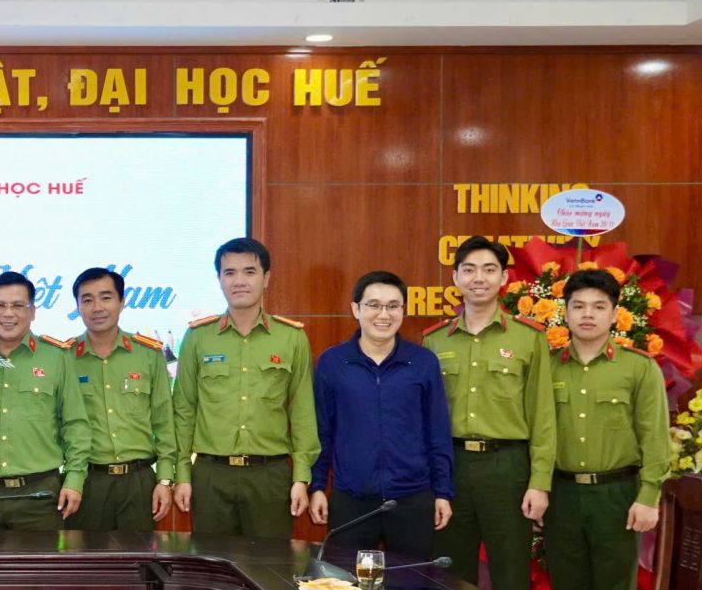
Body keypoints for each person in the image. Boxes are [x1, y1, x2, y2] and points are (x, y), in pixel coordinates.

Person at [543, 269, 671, 590]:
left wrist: (649, 496)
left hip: (617, 495)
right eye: (578, 306)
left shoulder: (638, 367)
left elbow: (655, 436)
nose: (588, 314)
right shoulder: (547, 366)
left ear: (615, 314)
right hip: (562, 494)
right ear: (565, 312)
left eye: (599, 307)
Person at [423, 236, 555, 590]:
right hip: (452, 467)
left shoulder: (529, 339)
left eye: (488, 269)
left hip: (507, 468)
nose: (478, 278)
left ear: (504, 278)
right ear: (455, 278)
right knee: (450, 574)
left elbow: (543, 416)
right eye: (469, 270)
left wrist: (540, 482)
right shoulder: (435, 341)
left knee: (511, 574)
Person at [173, 238, 318, 539]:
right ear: (219, 279)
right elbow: (184, 410)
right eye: (230, 272)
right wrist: (182, 474)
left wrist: (301, 477)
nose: (239, 281)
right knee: (211, 563)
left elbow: (303, 411)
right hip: (211, 475)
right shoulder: (198, 337)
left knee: (270, 562)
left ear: (266, 278)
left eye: (249, 272)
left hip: (270, 476)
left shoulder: (291, 338)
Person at [309, 271, 453, 560]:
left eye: (393, 306)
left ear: (403, 310)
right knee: (346, 582)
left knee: (413, 582)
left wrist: (442, 492)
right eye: (373, 305)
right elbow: (322, 430)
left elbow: (437, 431)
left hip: (413, 499)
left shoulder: (422, 362)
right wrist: (317, 486)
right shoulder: (332, 362)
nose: (383, 314)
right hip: (352, 499)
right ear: (356, 309)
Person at [0, 271, 90, 530]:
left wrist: (75, 478)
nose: (8, 313)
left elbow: (75, 424)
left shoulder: (56, 358)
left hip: (40, 496)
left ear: (33, 311)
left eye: (18, 305)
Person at [62, 267, 177, 530]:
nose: (97, 307)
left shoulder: (148, 354)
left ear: (122, 302)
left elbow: (164, 421)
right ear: (78, 307)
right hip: (86, 482)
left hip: (138, 482)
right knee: (84, 554)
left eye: (106, 297)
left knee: (138, 554)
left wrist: (164, 479)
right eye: (87, 300)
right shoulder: (64, 357)